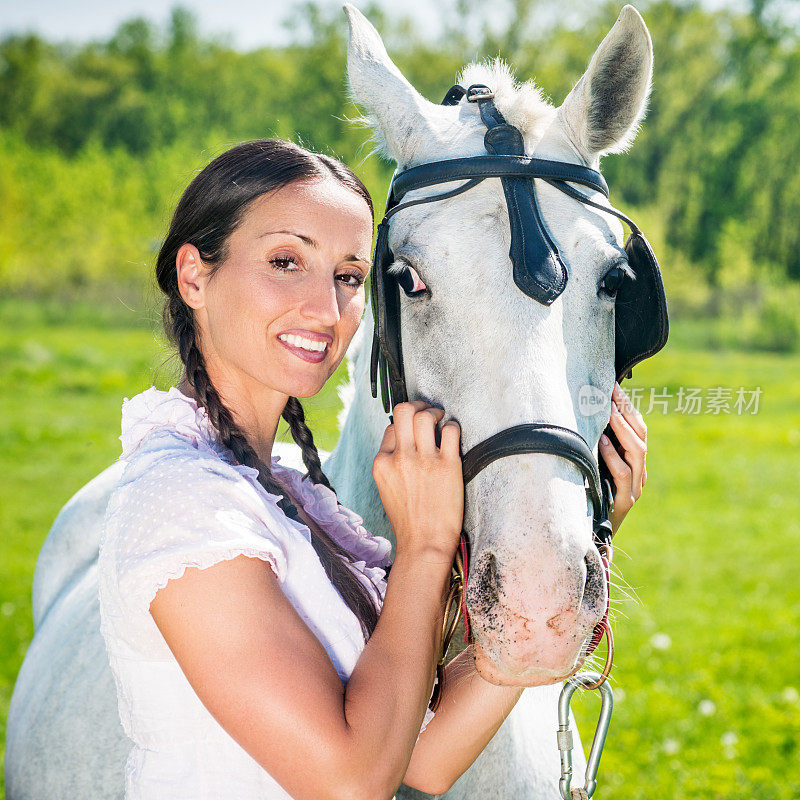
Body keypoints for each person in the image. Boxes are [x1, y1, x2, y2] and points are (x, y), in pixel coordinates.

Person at [98, 138, 648, 800]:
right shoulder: (184, 506)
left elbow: (421, 761)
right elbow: (353, 781)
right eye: (284, 261)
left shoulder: (285, 492)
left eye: (349, 276)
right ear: (194, 277)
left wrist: (591, 535)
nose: (327, 311)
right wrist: (424, 546)